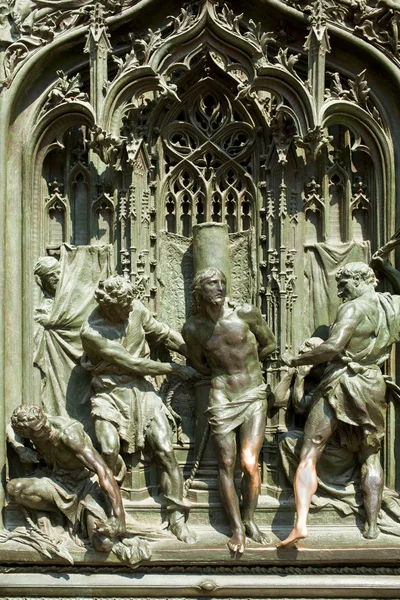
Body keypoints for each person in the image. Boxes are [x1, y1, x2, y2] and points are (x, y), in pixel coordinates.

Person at [277, 261, 400, 548]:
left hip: (341, 383)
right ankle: (370, 526)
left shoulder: (352, 308)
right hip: (372, 383)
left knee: (309, 451)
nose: (340, 290)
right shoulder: (391, 306)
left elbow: (333, 347)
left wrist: (295, 361)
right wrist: (388, 269)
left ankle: (300, 524)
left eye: (344, 283)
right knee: (370, 456)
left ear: (361, 280)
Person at [80, 275, 197, 544]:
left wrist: (198, 353)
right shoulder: (92, 332)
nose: (130, 309)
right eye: (124, 306)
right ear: (109, 305)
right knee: (108, 450)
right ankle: (110, 509)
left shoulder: (136, 309)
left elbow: (163, 334)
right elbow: (132, 363)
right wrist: (176, 369)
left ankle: (177, 517)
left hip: (142, 391)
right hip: (109, 393)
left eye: (131, 304)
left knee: (165, 448)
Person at [182, 267, 276, 553]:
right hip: (222, 397)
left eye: (222, 281)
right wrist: (223, 373)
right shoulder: (193, 329)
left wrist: (248, 367)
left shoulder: (245, 313)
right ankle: (236, 528)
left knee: (249, 462)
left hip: (252, 393)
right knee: (225, 462)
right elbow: (198, 363)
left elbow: (269, 344)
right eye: (212, 283)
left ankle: (250, 519)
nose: (219, 287)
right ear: (200, 292)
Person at [6, 404, 126, 552]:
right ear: (27, 434)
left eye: (44, 423)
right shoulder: (31, 426)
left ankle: (71, 518)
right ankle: (58, 514)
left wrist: (119, 516)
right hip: (57, 484)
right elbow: (10, 426)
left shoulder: (68, 434)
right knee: (14, 489)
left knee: (103, 544)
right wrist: (19, 447)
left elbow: (104, 471)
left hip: (87, 487)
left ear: (43, 416)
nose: (46, 429)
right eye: (38, 431)